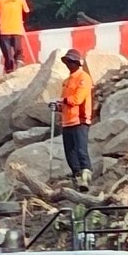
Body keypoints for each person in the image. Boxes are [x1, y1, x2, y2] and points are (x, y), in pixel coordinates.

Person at [56, 48, 93, 184]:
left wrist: (64, 101)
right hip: (67, 121)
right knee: (70, 152)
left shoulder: (84, 78)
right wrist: (58, 106)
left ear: (77, 63)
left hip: (79, 119)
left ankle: (86, 175)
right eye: (67, 61)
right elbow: (63, 101)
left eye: (71, 61)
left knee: (81, 149)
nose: (69, 64)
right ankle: (76, 174)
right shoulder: (66, 81)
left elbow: (78, 99)